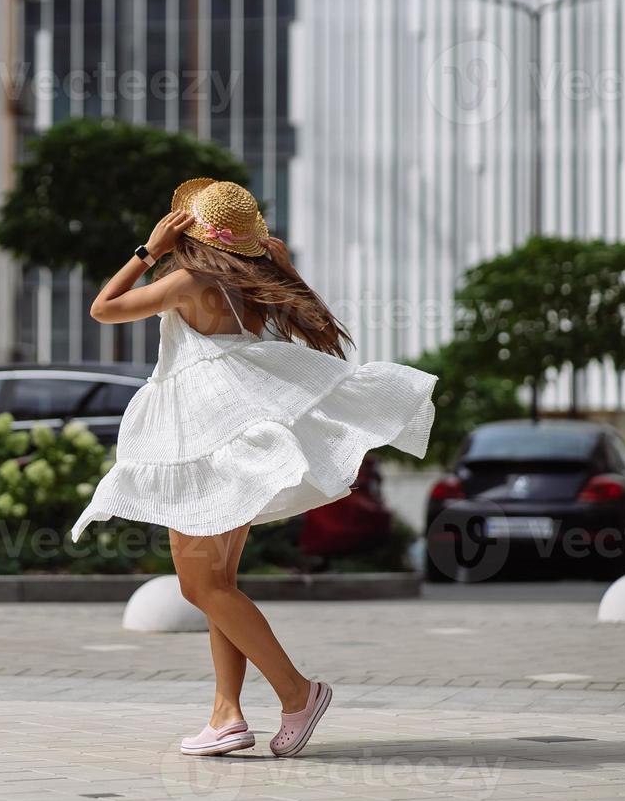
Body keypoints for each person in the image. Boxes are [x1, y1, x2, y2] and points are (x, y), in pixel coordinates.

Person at [74, 179, 437, 759]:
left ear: (186, 231)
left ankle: (298, 692)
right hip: (236, 429)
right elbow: (317, 324)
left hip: (202, 438)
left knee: (200, 586)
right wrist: (285, 269)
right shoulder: (251, 286)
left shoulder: (188, 281)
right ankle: (227, 716)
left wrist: (147, 251)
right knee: (219, 587)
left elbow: (104, 309)